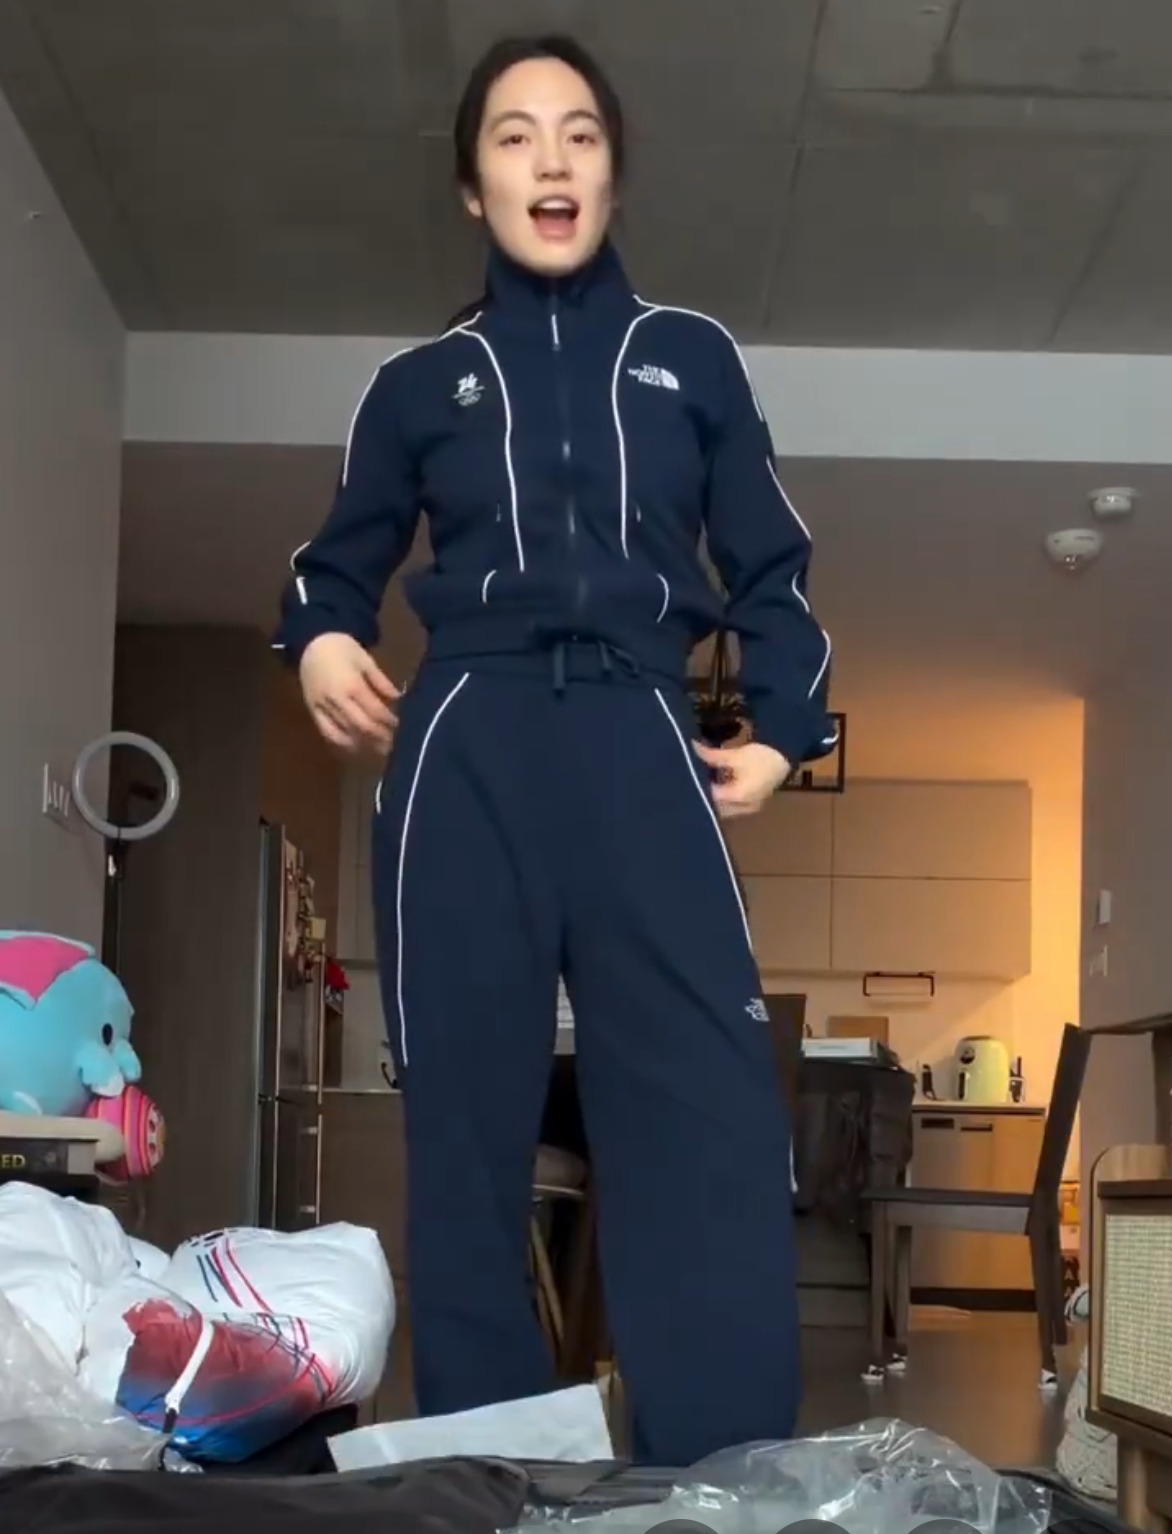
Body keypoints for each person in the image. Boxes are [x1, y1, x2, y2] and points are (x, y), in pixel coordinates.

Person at [273, 34, 837, 1466]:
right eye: (515, 135)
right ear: (474, 186)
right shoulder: (419, 383)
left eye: (579, 132)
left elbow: (773, 563)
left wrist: (783, 730)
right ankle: (494, 1470)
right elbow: (333, 568)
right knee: (467, 1122)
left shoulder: (691, 357)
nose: (551, 159)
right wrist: (323, 637)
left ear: (612, 172)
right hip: (468, 737)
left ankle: (719, 1470)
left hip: (648, 735)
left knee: (707, 1106)